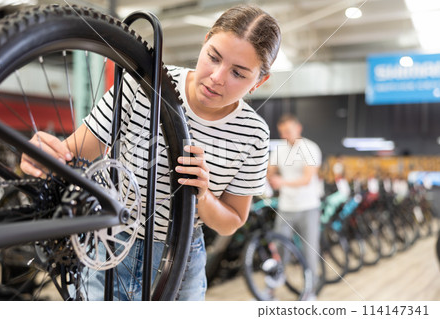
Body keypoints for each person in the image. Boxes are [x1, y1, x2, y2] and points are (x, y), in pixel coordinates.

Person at [20, 4, 281, 300]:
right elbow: (75, 151)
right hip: (110, 243)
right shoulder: (143, 82)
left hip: (180, 257)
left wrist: (204, 195)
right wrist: (44, 155)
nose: (217, 77)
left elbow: (232, 220)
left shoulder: (253, 133)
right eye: (213, 57)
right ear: (206, 40)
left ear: (260, 81)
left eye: (238, 73)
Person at [267, 114, 322, 300]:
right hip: (285, 208)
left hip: (308, 207)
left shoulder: (310, 148)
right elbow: (270, 171)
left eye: (288, 131)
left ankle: (310, 293)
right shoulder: (279, 150)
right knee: (278, 250)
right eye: (282, 132)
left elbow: (307, 179)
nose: (285, 135)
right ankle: (270, 292)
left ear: (298, 128)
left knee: (309, 252)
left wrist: (281, 181)